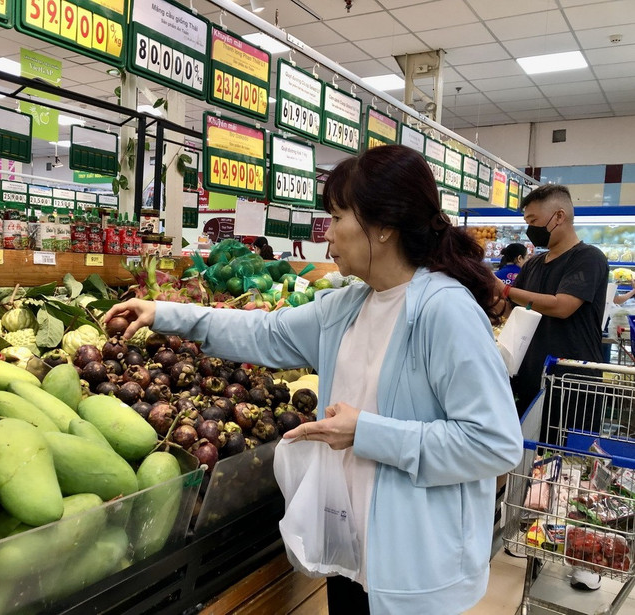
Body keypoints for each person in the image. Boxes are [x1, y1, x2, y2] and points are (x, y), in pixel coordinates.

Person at [105, 145, 523, 615]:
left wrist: (366, 432)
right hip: (351, 548)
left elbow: (494, 442)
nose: (328, 234)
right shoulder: (349, 306)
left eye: (338, 216)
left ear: (383, 226)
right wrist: (163, 312)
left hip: (412, 567)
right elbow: (263, 331)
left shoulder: (444, 311)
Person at [494, 184, 608, 592]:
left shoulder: (589, 259)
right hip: (531, 378)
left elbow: (561, 305)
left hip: (575, 382)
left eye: (533, 222)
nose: (530, 231)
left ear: (558, 217)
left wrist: (506, 289)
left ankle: (584, 555)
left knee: (574, 469)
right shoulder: (536, 263)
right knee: (531, 461)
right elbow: (511, 308)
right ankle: (531, 532)